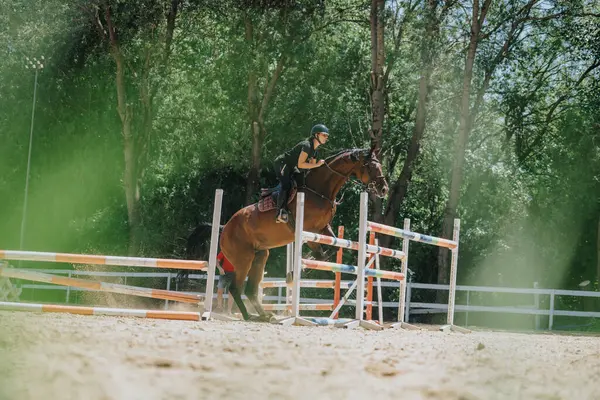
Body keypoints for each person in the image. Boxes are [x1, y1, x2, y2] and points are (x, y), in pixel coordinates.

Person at [273, 124, 330, 223]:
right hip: (283, 164)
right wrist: (317, 165)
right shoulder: (307, 145)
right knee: (286, 185)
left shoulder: (315, 151)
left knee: (302, 182)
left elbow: (311, 169)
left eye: (327, 136)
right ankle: (280, 213)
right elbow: (301, 164)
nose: (326, 137)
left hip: (292, 166)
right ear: (316, 135)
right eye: (324, 135)